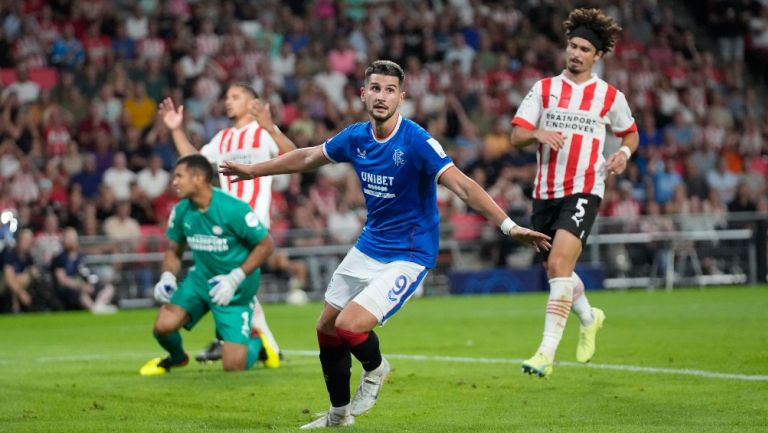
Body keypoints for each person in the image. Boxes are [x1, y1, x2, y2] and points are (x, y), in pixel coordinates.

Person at [220, 60, 551, 428]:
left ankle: (376, 369)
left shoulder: (416, 141)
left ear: (401, 98)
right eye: (375, 88)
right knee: (325, 328)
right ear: (363, 94)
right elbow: (310, 156)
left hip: (410, 254)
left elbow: (463, 186)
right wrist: (254, 169)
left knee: (349, 325)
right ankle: (338, 415)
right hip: (370, 244)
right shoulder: (356, 137)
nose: (381, 96)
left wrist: (509, 226)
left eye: (390, 90)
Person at [509, 8, 639, 378]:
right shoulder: (544, 89)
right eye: (572, 46)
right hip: (545, 192)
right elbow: (516, 134)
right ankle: (589, 316)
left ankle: (545, 353)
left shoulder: (609, 96)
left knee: (558, 265)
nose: (576, 53)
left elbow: (630, 133)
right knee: (558, 270)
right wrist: (537, 133)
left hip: (586, 187)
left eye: (584, 48)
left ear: (597, 56)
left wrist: (623, 153)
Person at [157, 82, 301, 368]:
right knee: (232, 286)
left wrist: (272, 128)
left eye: (235, 97)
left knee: (237, 284)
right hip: (220, 223)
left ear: (253, 102)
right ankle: (247, 343)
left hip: (251, 225)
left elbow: (295, 157)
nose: (228, 101)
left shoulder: (263, 132)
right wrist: (176, 129)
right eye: (226, 97)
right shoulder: (223, 139)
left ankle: (242, 342)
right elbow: (195, 163)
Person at [139, 154, 275, 376]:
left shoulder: (233, 209)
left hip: (236, 289)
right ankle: (177, 358)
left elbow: (266, 245)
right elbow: (174, 250)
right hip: (201, 280)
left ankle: (257, 344)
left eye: (179, 176)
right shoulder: (182, 211)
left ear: (198, 178)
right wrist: (167, 277)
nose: (174, 182)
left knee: (233, 366)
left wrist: (234, 278)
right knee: (162, 328)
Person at [52, 227, 117, 314]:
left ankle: (98, 305)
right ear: (64, 240)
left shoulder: (81, 257)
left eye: (73, 238)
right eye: (69, 238)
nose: (71, 241)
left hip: (85, 284)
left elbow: (87, 273)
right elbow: (62, 280)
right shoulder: (59, 258)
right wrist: (80, 285)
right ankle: (94, 308)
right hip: (71, 289)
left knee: (109, 288)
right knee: (81, 294)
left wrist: (91, 283)